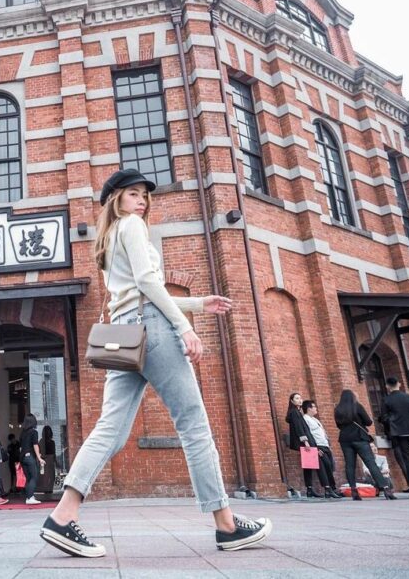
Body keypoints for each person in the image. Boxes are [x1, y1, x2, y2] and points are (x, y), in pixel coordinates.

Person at [40, 168, 271, 557]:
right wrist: (185, 327)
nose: (142, 200)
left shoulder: (108, 238)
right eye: (133, 193)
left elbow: (135, 292)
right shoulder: (131, 225)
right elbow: (148, 285)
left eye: (145, 194)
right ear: (116, 199)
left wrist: (197, 303)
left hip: (125, 337)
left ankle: (63, 515)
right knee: (194, 425)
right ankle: (227, 525)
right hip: (153, 330)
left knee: (110, 429)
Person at [333, 389, 395, 501]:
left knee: (350, 465)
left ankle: (353, 490)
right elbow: (368, 422)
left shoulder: (338, 409)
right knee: (370, 463)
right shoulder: (357, 406)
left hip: (345, 439)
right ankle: (385, 488)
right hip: (360, 437)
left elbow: (338, 425)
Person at [379, 377, 409, 498]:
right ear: (399, 384)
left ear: (387, 386)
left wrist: (393, 421)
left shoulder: (386, 400)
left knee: (408, 460)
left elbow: (383, 418)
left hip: (399, 432)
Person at [286, 393, 329, 498]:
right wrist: (305, 441)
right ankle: (327, 489)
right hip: (306, 442)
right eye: (297, 398)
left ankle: (309, 490)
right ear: (292, 401)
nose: (300, 400)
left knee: (308, 465)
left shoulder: (297, 412)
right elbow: (299, 428)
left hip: (307, 441)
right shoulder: (294, 412)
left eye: (300, 398)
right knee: (318, 463)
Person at [301, 400, 342, 498]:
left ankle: (332, 488)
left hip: (325, 445)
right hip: (318, 445)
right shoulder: (305, 419)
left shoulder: (315, 419)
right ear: (309, 408)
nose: (316, 408)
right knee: (323, 467)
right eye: (314, 407)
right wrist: (314, 448)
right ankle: (328, 489)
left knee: (329, 466)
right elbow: (308, 434)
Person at [20, 414, 45, 505]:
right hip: (30, 457)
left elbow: (21, 446)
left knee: (29, 478)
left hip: (22, 457)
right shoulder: (34, 432)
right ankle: (30, 497)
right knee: (34, 477)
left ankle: (29, 496)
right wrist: (39, 457)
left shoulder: (22, 433)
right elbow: (35, 445)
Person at [37, 425, 57, 493]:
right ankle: (46, 490)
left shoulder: (52, 442)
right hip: (45, 460)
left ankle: (50, 489)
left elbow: (54, 453)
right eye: (47, 431)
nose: (48, 433)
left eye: (49, 431)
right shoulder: (41, 441)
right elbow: (39, 452)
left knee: (52, 476)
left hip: (51, 460)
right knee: (45, 476)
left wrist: (56, 462)